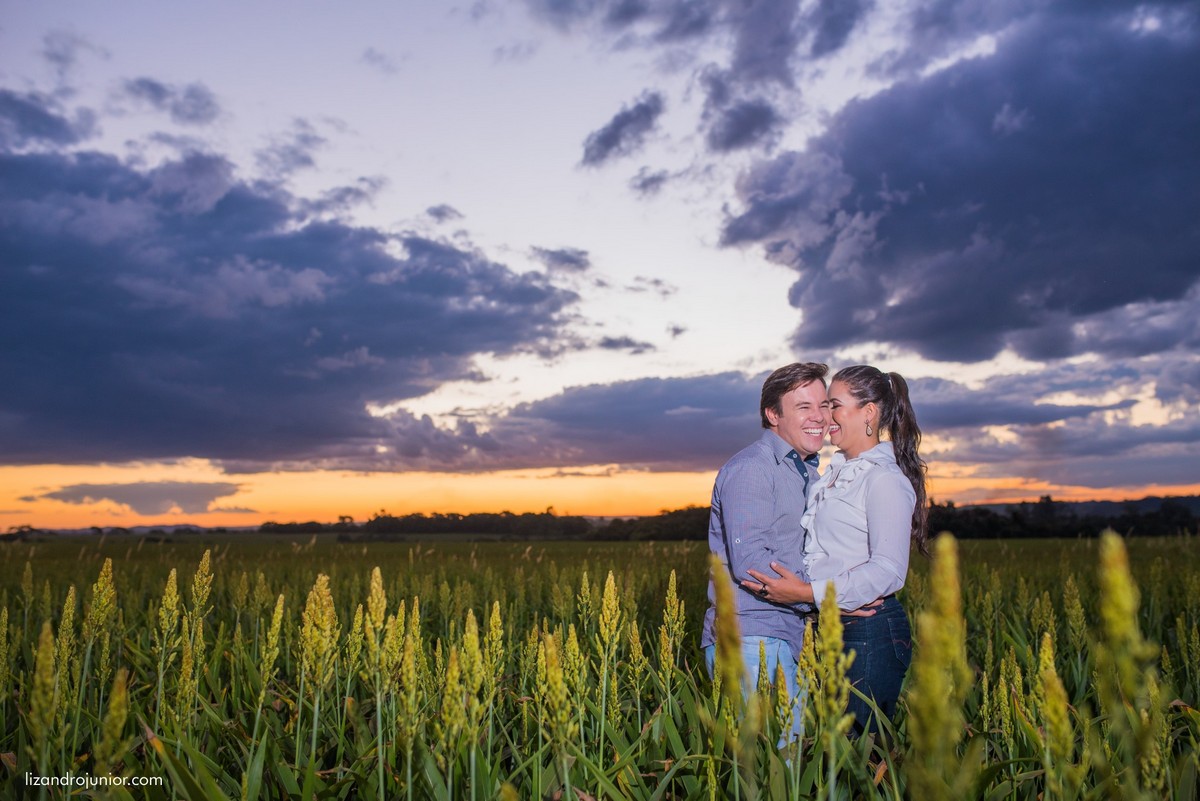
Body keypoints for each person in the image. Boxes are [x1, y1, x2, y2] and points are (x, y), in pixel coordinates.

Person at [743, 365, 928, 737]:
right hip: (829, 624)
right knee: (829, 756)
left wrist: (807, 594)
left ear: (869, 413)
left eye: (834, 405)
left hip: (869, 631)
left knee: (860, 756)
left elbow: (889, 571)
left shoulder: (883, 479)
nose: (825, 418)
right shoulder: (836, 472)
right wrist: (821, 603)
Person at [701, 362, 829, 732]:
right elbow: (752, 564)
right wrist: (824, 597)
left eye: (823, 406)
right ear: (773, 414)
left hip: (786, 633)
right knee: (763, 771)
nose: (818, 417)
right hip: (751, 637)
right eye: (803, 407)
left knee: (787, 766)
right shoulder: (754, 468)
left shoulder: (804, 471)